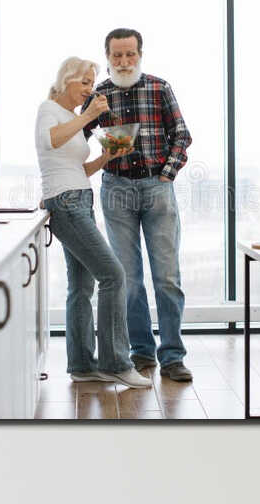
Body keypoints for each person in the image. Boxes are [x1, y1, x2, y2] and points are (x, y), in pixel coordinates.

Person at [35, 57, 151, 391]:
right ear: (65, 80)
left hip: (79, 199)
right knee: (114, 275)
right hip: (67, 203)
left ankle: (83, 365)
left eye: (91, 82)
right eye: (84, 82)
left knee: (82, 287)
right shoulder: (49, 109)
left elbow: (75, 168)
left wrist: (105, 159)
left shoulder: (70, 117)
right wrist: (89, 116)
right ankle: (117, 363)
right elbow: (50, 141)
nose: (89, 89)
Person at [91, 28, 193, 383]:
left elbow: (182, 134)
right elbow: (76, 136)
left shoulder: (158, 87)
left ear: (140, 54)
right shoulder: (98, 95)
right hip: (116, 190)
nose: (123, 62)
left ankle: (173, 356)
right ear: (107, 57)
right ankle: (141, 353)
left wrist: (167, 173)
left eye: (129, 54)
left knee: (167, 277)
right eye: (117, 55)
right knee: (129, 280)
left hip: (157, 188)